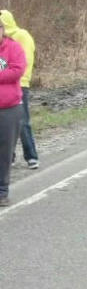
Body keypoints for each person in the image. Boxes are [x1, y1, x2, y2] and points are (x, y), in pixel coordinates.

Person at [1, 10, 37, 169]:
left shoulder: (22, 35)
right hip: (5, 85)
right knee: (9, 125)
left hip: (20, 83)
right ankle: (11, 156)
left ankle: (31, 156)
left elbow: (25, 59)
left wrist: (18, 76)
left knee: (22, 122)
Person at [0, 19, 26, 207]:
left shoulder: (13, 48)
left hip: (9, 108)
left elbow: (17, 70)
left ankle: (2, 191)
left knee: (5, 151)